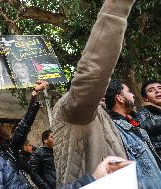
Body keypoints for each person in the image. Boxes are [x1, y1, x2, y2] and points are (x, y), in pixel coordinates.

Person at [51, 0, 135, 185]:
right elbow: (94, 72)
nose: (101, 93)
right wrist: (117, 8)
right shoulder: (71, 111)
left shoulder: (105, 116)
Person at [105, 79, 161, 188]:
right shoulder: (116, 130)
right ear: (120, 98)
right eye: (129, 91)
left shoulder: (131, 125)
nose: (133, 95)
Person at [136, 79, 161, 156]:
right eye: (151, 90)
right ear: (145, 99)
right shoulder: (143, 113)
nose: (157, 91)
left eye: (160, 88)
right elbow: (145, 127)